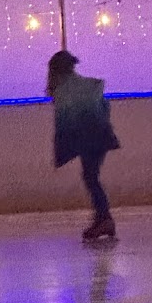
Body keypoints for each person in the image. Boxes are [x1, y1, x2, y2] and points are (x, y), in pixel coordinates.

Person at [47, 50, 120, 242]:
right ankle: (102, 217)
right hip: (101, 136)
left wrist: (62, 152)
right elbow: (105, 107)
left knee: (90, 177)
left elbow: (65, 124)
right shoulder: (89, 86)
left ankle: (104, 218)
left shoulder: (63, 92)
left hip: (89, 140)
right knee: (91, 176)